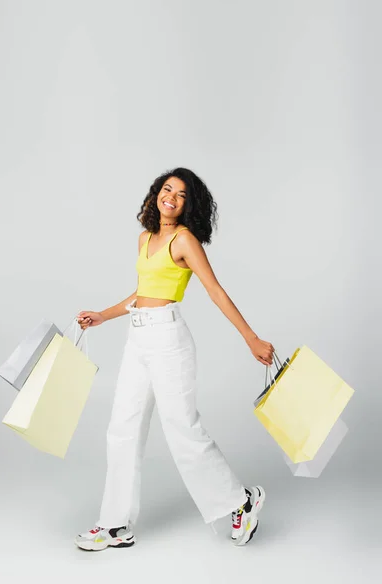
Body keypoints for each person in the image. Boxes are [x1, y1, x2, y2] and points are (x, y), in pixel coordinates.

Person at [74, 167, 274, 551]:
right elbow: (141, 292)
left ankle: (241, 502)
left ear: (188, 205)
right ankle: (115, 525)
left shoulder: (184, 241)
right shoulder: (145, 238)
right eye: (167, 189)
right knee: (122, 428)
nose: (172, 197)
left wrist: (251, 338)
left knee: (183, 429)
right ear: (156, 194)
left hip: (168, 340)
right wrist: (102, 315)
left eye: (181, 195)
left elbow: (215, 291)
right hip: (138, 336)